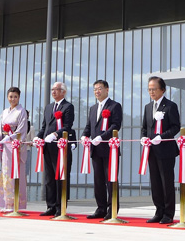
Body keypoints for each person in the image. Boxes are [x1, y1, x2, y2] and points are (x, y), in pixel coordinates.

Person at [140, 76, 180, 225]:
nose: (151, 92)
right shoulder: (148, 107)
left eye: (154, 89)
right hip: (151, 151)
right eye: (149, 89)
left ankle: (168, 214)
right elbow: (145, 127)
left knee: (166, 182)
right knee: (155, 182)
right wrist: (143, 137)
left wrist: (161, 137)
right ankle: (159, 211)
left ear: (162, 89)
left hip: (166, 151)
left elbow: (175, 127)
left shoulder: (170, 106)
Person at [81, 80, 123, 220]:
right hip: (95, 149)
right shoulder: (93, 108)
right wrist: (84, 136)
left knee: (110, 180)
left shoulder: (114, 106)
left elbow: (116, 125)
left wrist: (102, 137)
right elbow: (89, 126)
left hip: (110, 149)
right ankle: (101, 208)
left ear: (107, 89)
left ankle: (112, 209)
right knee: (98, 180)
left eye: (99, 88)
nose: (97, 91)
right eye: (95, 89)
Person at [35, 82, 75, 217]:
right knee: (49, 178)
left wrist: (55, 134)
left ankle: (60, 206)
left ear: (63, 92)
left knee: (61, 177)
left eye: (56, 90)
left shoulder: (68, 107)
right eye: (52, 89)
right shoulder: (48, 107)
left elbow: (68, 126)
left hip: (60, 148)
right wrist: (38, 137)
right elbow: (44, 127)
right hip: (48, 147)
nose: (53, 92)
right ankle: (50, 205)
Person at [0, 87, 28, 212]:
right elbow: (0, 129)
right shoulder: (4, 112)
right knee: (6, 174)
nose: (13, 99)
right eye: (10, 96)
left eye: (15, 97)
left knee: (15, 174)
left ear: (19, 98)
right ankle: (7, 202)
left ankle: (15, 204)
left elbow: (21, 131)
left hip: (14, 146)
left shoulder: (21, 111)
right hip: (5, 146)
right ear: (7, 97)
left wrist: (9, 137)